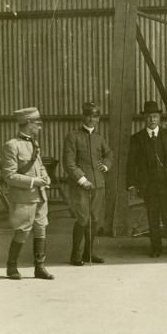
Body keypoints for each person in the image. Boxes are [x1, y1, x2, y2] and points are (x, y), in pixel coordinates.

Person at [0, 107, 55, 280]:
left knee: (41, 230)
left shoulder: (34, 143)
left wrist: (45, 176)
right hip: (24, 198)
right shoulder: (12, 145)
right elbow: (9, 176)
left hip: (40, 196)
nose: (40, 127)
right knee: (22, 231)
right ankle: (12, 267)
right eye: (38, 123)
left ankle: (40, 268)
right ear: (29, 124)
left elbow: (40, 166)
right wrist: (34, 181)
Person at [126, 101, 167, 258]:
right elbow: (131, 163)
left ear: (159, 118)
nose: (152, 119)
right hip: (149, 185)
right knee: (152, 218)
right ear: (144, 118)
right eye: (149, 116)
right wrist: (131, 185)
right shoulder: (137, 138)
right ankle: (156, 248)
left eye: (155, 116)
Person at [62, 102, 113, 265]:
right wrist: (82, 180)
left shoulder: (99, 138)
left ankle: (88, 253)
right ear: (83, 117)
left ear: (98, 119)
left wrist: (105, 166)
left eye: (95, 116)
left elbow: (109, 154)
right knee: (83, 219)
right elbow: (69, 163)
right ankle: (75, 254)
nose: (92, 119)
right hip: (80, 186)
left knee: (94, 219)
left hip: (98, 184)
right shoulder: (73, 137)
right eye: (89, 116)